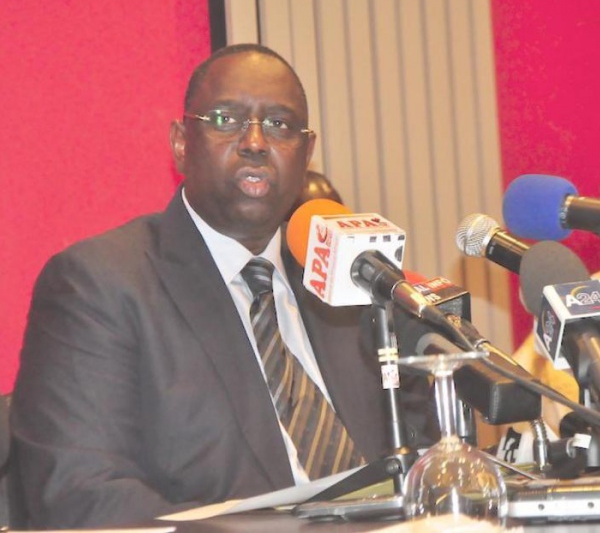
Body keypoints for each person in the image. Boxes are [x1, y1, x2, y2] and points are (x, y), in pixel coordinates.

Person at [10, 44, 435, 529]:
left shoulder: (348, 282)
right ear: (181, 143)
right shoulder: (99, 284)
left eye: (279, 124)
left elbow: (425, 459)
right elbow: (81, 496)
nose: (255, 142)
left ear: (307, 153)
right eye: (225, 119)